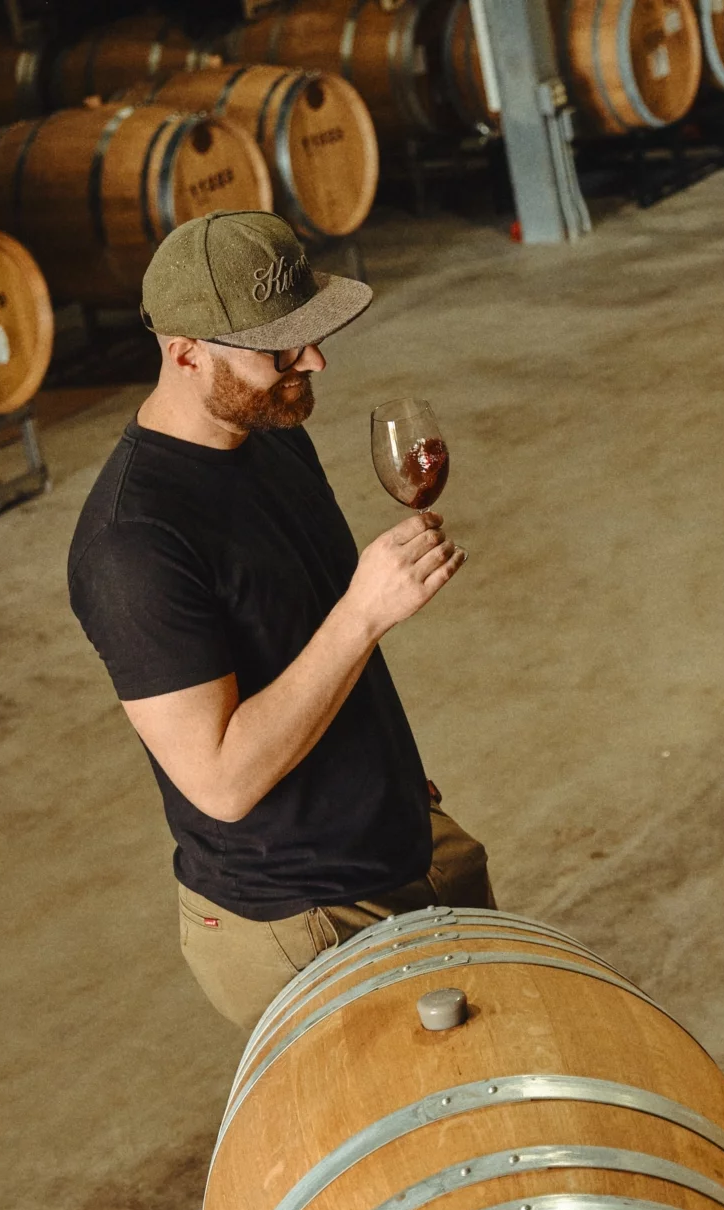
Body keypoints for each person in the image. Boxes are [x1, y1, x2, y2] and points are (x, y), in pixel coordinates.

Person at [68, 209, 488, 1032]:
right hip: (306, 917)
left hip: (401, 841)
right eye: (279, 348)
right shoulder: (133, 544)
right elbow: (221, 781)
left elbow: (296, 639)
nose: (314, 360)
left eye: (312, 332)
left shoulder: (269, 437)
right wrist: (364, 614)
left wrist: (388, 778)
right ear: (185, 351)